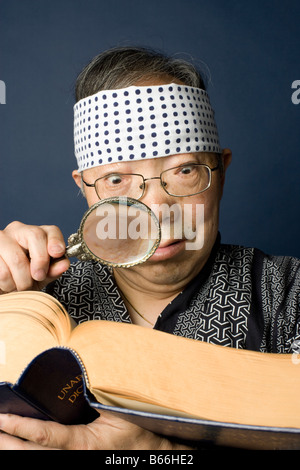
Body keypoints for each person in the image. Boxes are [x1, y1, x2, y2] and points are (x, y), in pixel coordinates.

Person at [0, 46, 299, 450]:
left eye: (185, 171)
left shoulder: (289, 295)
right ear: (85, 190)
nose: (157, 210)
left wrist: (156, 452)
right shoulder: (31, 302)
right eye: (118, 180)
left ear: (222, 171)